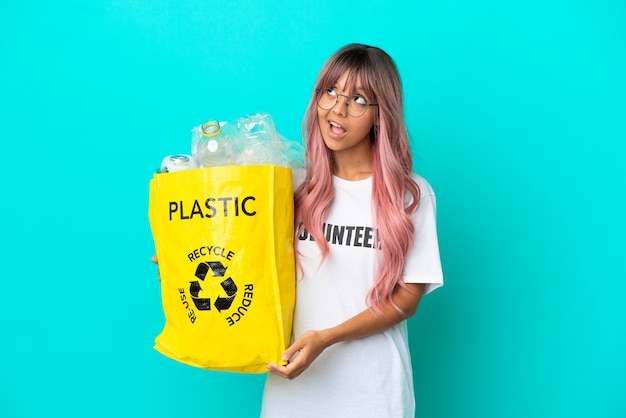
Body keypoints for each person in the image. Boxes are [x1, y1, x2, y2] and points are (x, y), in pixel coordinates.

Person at [260, 44, 443, 418]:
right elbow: (254, 267)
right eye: (331, 91)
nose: (338, 109)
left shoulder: (410, 195)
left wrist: (326, 338)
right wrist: (185, 261)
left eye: (358, 99)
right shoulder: (291, 187)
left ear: (381, 115)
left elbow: (406, 301)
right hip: (291, 389)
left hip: (372, 395)